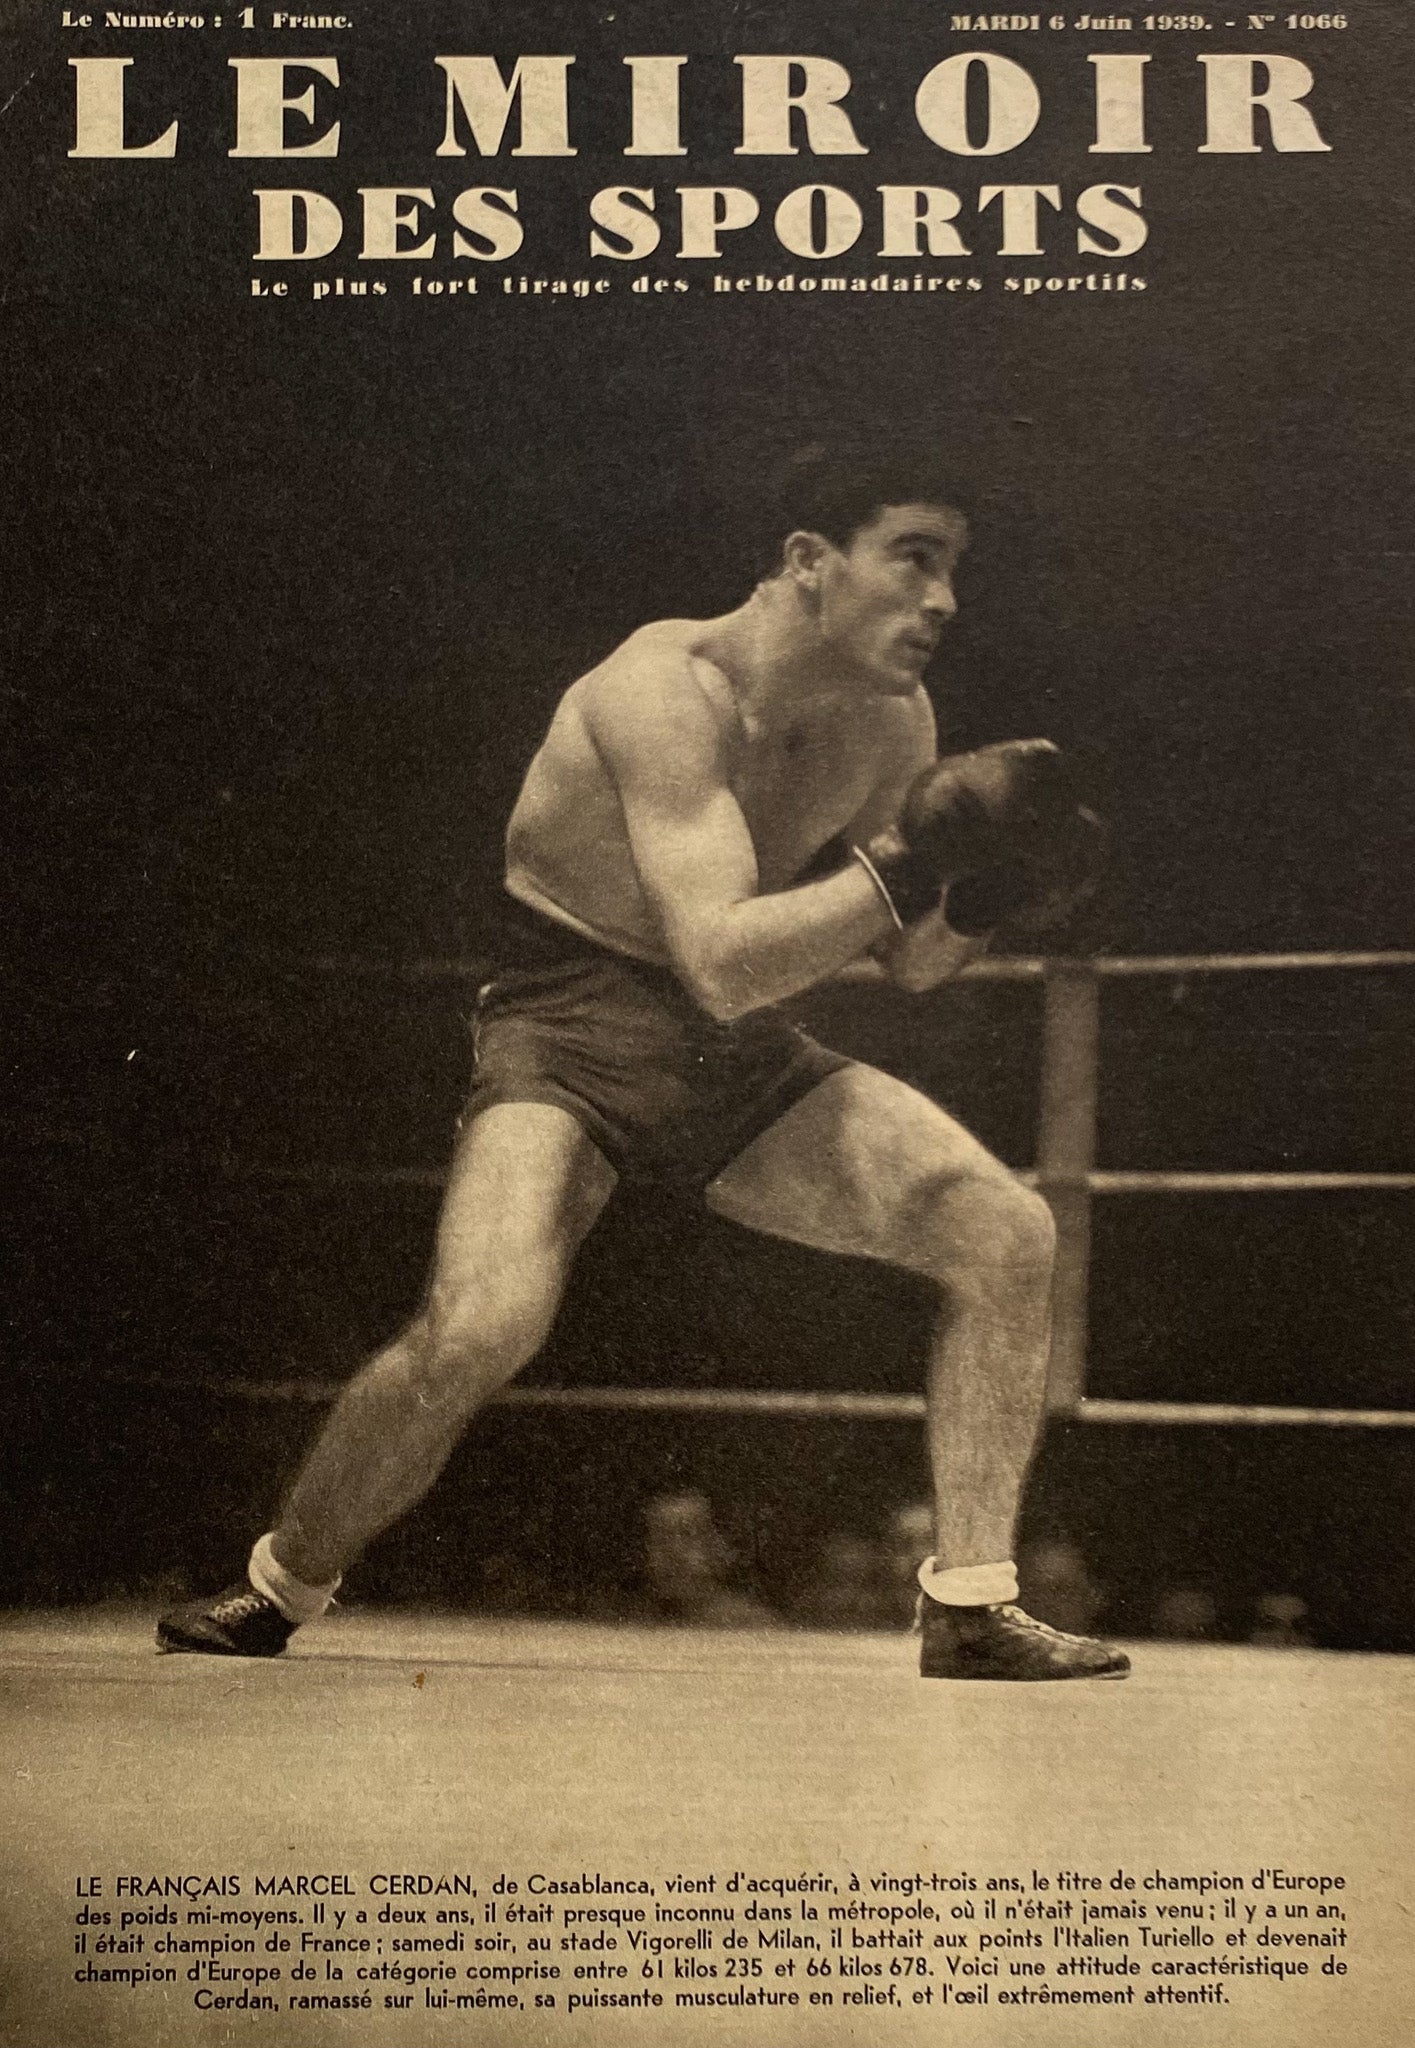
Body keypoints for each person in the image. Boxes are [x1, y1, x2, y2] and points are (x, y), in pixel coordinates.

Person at [157, 446, 1129, 1681]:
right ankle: (279, 1581)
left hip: (730, 1050)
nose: (942, 600)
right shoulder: (657, 690)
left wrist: (983, 895)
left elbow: (906, 970)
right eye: (913, 560)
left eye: (955, 571)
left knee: (1002, 1231)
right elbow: (722, 953)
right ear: (808, 562)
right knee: (482, 1324)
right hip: (565, 1022)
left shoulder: (893, 724)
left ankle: (971, 1604)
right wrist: (898, 864)